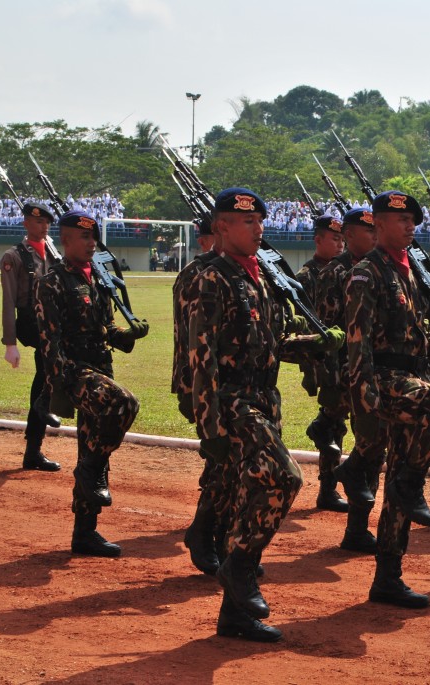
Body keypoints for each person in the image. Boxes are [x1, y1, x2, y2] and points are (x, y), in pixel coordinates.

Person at [193, 188, 342, 642]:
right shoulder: (210, 278)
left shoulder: (260, 276)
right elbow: (199, 356)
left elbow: (272, 341)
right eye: (247, 222)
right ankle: (238, 566)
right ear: (221, 227)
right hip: (231, 401)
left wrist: (315, 344)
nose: (259, 228)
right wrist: (210, 425)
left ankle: (234, 615)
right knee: (285, 477)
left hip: (264, 399)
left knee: (247, 496)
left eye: (260, 220)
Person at [345, 190, 430, 607]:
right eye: (401, 220)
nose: (409, 226)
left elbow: (416, 335)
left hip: (412, 376)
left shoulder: (411, 270)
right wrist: (364, 395)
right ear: (379, 224)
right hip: (383, 380)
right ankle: (410, 479)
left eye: (412, 220)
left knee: (398, 491)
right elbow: (358, 341)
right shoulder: (367, 272)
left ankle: (388, 577)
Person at [35, 209, 149, 558]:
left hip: (100, 368)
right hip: (74, 372)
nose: (91, 243)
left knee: (93, 445)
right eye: (84, 237)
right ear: (66, 239)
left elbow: (106, 329)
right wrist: (59, 385)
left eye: (93, 237)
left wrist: (127, 334)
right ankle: (89, 470)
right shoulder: (52, 282)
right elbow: (49, 341)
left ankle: (84, 533)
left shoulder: (98, 278)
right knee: (124, 403)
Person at [315, 207, 382, 552]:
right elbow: (326, 329)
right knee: (366, 442)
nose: (374, 237)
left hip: (371, 370)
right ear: (350, 235)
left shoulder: (377, 268)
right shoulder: (334, 272)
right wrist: (329, 379)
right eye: (368, 231)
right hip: (346, 372)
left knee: (372, 446)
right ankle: (349, 518)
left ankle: (358, 526)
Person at [174, 217, 226, 575]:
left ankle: (218, 538)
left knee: (230, 465)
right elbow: (187, 338)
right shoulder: (197, 274)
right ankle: (204, 532)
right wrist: (191, 389)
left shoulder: (236, 270)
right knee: (220, 462)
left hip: (236, 384)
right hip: (202, 382)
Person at [0, 202, 63, 472]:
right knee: (49, 362)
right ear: (26, 224)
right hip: (29, 322)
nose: (44, 226)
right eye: (38, 221)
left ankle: (33, 447)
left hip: (51, 321)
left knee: (47, 371)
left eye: (47, 222)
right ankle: (43, 405)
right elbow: (8, 301)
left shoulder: (53, 253)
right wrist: (10, 343)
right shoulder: (14, 256)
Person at [297, 214, 348, 512]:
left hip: (344, 353)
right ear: (318, 240)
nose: (340, 244)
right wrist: (312, 366)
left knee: (335, 422)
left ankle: (329, 489)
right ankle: (328, 489)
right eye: (335, 239)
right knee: (334, 424)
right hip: (324, 356)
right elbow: (306, 323)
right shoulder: (306, 276)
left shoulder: (345, 269)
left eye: (343, 239)